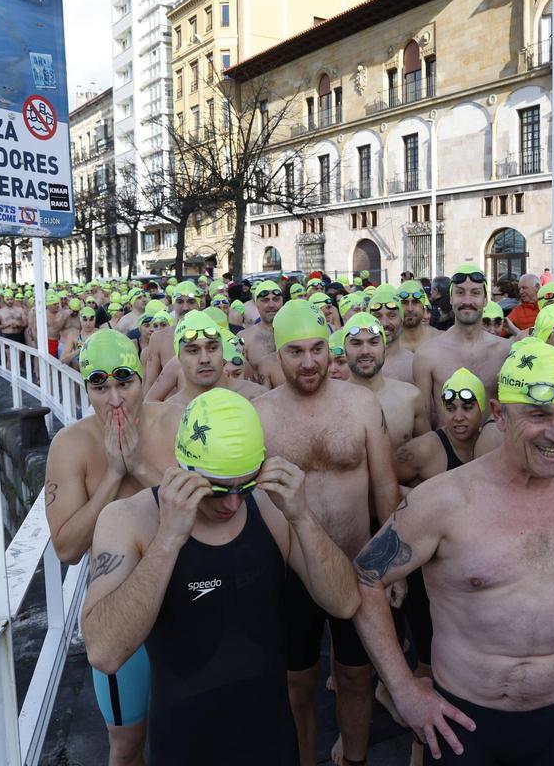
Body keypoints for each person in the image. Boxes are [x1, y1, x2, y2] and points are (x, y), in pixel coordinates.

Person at [352, 338, 554, 764]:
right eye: (538, 415)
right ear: (499, 414)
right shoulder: (443, 501)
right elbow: (368, 577)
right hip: (462, 723)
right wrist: (403, 687)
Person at [81, 389, 360, 765]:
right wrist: (168, 540)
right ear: (182, 469)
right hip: (184, 745)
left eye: (244, 486)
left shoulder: (271, 509)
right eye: (216, 490)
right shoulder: (129, 520)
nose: (231, 503)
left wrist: (303, 517)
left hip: (271, 742)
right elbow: (104, 651)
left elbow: (344, 602)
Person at [251, 299, 402, 766]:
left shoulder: (360, 404)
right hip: (289, 573)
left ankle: (353, 759)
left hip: (359, 563)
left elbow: (385, 487)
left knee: (356, 677)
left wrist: (394, 566)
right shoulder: (258, 415)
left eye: (318, 349)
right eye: (296, 352)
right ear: (277, 355)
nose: (310, 361)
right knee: (298, 683)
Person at [43, 330, 183, 766]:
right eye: (100, 387)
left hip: (186, 596)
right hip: (121, 607)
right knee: (126, 742)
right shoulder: (71, 446)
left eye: (125, 382)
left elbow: (204, 511)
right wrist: (110, 476)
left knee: (196, 723)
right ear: (86, 390)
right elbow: (66, 548)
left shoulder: (178, 422)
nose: (115, 399)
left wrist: (139, 465)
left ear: (143, 378)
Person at [414, 265, 512, 427]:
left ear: (486, 300)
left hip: (494, 448)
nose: (467, 301)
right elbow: (423, 419)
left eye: (475, 293)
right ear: (451, 298)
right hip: (447, 449)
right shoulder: (428, 354)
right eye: (460, 293)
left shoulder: (505, 351)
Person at [344, 312, 429, 449]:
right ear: (344, 350)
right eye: (356, 343)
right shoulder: (332, 403)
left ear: (384, 348)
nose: (365, 351)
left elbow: (427, 456)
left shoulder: (410, 397)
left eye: (373, 342)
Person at [146, 310, 265, 405]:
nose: (205, 359)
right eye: (193, 351)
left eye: (212, 348)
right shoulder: (170, 414)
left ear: (222, 351)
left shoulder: (257, 398)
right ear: (179, 358)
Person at [393, 367, 485, 487]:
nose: (458, 417)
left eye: (467, 408)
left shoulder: (492, 445)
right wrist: (421, 500)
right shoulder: (423, 449)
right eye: (450, 409)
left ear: (482, 409)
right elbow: (381, 485)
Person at [368, 285, 416, 384]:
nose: (384, 323)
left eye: (392, 316)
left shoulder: (414, 364)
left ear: (401, 320)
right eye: (377, 316)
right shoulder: (357, 365)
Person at [241, 280, 285, 367]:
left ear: (282, 302)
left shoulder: (297, 332)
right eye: (265, 300)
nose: (271, 305)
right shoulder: (243, 338)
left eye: (276, 299)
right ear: (256, 304)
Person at [397, 279, 440, 353]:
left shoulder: (440, 339)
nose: (410, 309)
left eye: (415, 302)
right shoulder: (389, 345)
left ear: (423, 308)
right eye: (404, 303)